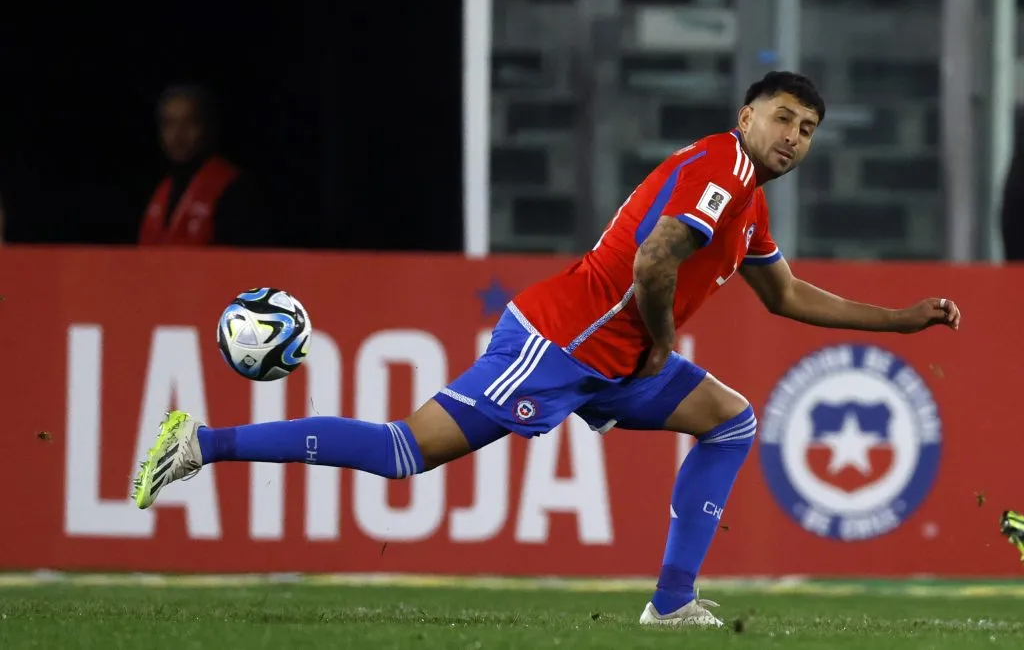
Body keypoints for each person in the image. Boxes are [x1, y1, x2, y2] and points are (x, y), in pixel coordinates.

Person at [131, 72, 961, 627]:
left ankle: (672, 605)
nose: (794, 137)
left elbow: (783, 294)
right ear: (747, 116)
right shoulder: (721, 170)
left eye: (808, 129)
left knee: (733, 422)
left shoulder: (745, 201)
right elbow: (654, 258)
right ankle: (200, 443)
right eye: (784, 118)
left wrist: (902, 319)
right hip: (563, 345)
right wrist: (663, 345)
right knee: (402, 451)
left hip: (615, 358)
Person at [138, 85, 262, 247]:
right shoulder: (161, 188)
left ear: (208, 127)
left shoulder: (233, 188)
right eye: (169, 124)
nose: (178, 135)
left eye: (189, 123)